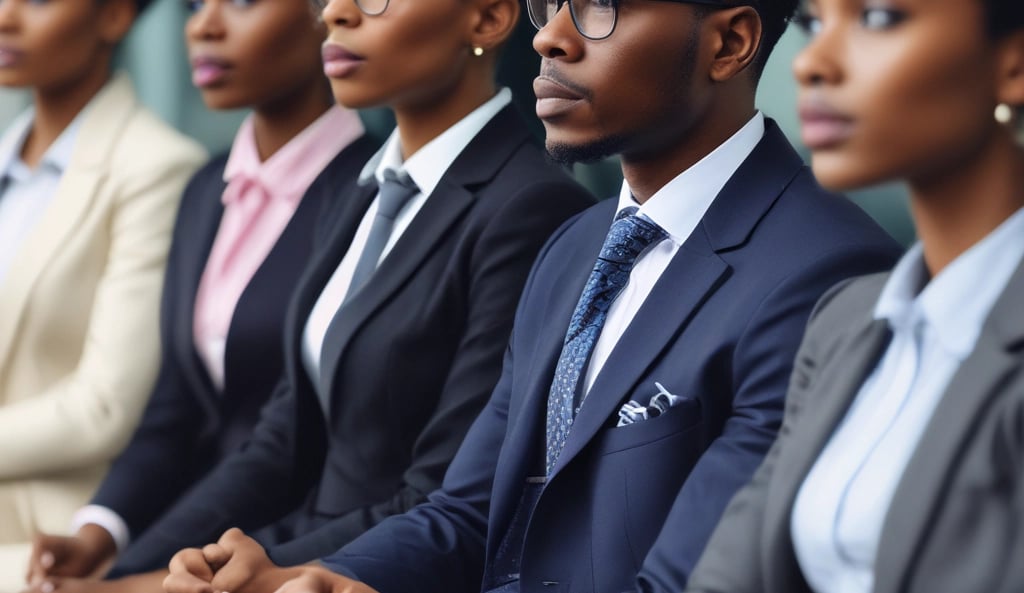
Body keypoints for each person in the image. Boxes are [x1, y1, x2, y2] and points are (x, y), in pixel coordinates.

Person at [162, 0, 904, 592]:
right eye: (550, 3)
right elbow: (468, 507)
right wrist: (321, 576)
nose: (549, 37)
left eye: (599, 7)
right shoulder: (575, 244)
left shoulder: (826, 273)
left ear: (729, 44)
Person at [27, 0, 595, 589]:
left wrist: (156, 585)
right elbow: (281, 440)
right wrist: (128, 566)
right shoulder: (371, 189)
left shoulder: (531, 207)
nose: (337, 14)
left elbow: (444, 495)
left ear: (486, 20)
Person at [23, 0, 375, 588]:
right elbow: (175, 404)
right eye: (192, 4)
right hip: (180, 538)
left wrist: (132, 574)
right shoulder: (204, 189)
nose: (201, 26)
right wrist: (100, 532)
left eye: (240, 1)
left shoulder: (369, 196)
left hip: (286, 548)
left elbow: (292, 440)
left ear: (327, 13)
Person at [681, 0, 1024, 592]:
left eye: (879, 19)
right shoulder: (845, 321)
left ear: (1014, 64)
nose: (812, 62)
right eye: (814, 22)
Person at [0, 0, 206, 588]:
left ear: (115, 15)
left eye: (37, 0)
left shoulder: (158, 168)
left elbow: (104, 407)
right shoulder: (7, 159)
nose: (5, 17)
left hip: (52, 540)